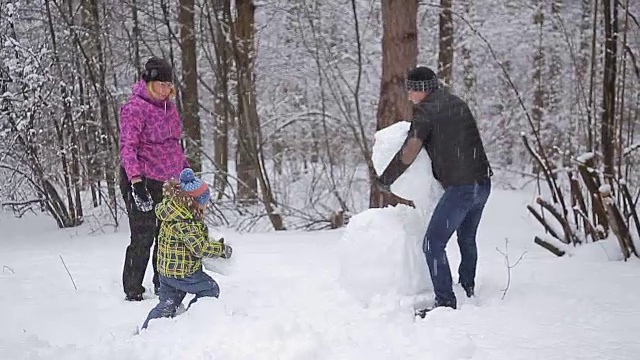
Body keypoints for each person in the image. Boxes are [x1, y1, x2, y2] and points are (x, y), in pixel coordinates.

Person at [376, 66, 492, 316]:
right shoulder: (455, 102)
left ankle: (446, 301)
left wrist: (386, 179)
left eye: (410, 90)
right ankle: (467, 288)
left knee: (432, 244)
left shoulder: (426, 112)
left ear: (421, 90)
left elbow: (409, 150)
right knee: (467, 238)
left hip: (462, 189)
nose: (408, 96)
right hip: (483, 183)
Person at [119, 57, 190, 301]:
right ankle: (133, 289)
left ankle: (164, 284)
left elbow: (174, 145)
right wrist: (136, 183)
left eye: (168, 85)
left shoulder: (170, 108)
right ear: (148, 82)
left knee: (168, 235)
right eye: (160, 84)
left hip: (169, 181)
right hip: (141, 179)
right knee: (143, 235)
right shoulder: (134, 108)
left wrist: (185, 171)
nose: (165, 90)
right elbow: (128, 147)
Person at [141, 168, 232, 330]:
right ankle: (192, 319)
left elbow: (189, 242)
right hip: (184, 273)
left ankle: (149, 330)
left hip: (165, 272)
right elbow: (199, 248)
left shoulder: (172, 212)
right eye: (204, 203)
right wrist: (221, 250)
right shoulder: (185, 223)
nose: (206, 206)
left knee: (168, 302)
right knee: (210, 289)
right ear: (193, 202)